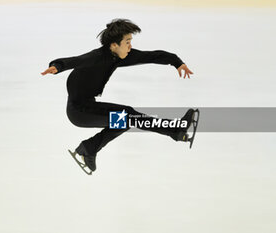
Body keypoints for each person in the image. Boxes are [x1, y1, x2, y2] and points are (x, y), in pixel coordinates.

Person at [41, 18, 195, 173]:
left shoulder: (120, 55)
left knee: (125, 119)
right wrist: (57, 66)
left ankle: (89, 148)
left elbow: (151, 56)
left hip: (88, 106)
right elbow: (76, 61)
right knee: (128, 116)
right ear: (114, 45)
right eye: (127, 42)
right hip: (79, 111)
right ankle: (175, 130)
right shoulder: (97, 57)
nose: (130, 46)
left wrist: (176, 62)